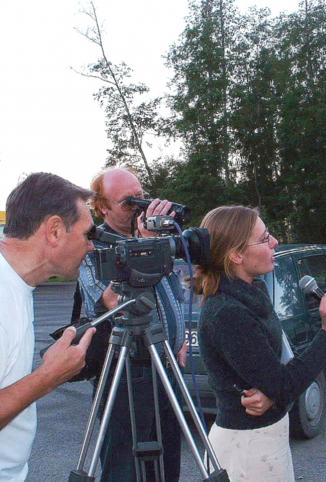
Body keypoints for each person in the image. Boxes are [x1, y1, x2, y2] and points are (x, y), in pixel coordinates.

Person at [195, 205, 326, 481]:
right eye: (264, 238)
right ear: (236, 255)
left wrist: (273, 395)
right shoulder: (227, 312)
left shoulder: (253, 292)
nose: (275, 242)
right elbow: (283, 384)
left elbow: (277, 379)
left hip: (264, 440)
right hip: (246, 450)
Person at [77, 167, 187, 482]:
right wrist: (144, 245)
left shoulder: (158, 238)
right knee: (123, 465)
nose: (140, 206)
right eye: (129, 202)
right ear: (103, 207)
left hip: (166, 363)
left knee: (167, 462)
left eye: (142, 197)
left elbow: (174, 293)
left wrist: (178, 338)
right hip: (126, 370)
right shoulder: (93, 249)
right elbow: (114, 302)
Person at [0, 172, 96, 481]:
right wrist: (49, 376)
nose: (91, 247)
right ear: (54, 231)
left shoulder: (16, 283)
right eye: (87, 235)